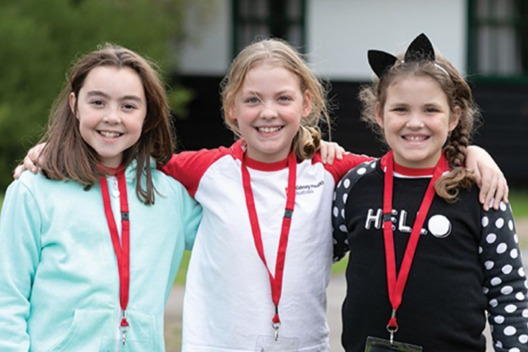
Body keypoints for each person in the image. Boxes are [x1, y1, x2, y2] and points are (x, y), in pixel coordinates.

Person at [15, 38, 508, 352]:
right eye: (252, 99)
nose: (267, 112)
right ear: (231, 109)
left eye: (283, 99)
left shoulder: (338, 172)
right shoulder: (199, 172)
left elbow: (407, 169)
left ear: (306, 104)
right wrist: (49, 152)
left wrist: (469, 155)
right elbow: (118, 161)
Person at [0, 44, 202, 352]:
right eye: (97, 102)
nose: (112, 117)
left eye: (128, 106)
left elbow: (238, 226)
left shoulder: (170, 195)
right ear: (75, 105)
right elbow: (7, 297)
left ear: (147, 114)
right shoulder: (33, 191)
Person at [333, 33, 527, 352]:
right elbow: (317, 254)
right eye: (400, 109)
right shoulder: (356, 185)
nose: (414, 122)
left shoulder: (480, 191)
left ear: (453, 117)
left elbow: (507, 291)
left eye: (430, 110)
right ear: (379, 115)